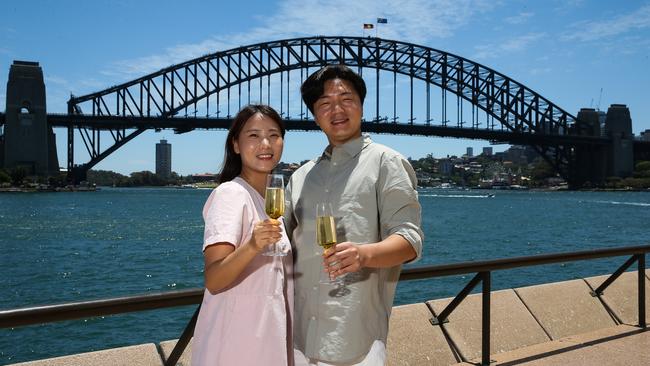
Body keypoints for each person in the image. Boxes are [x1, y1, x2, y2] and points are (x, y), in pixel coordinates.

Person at [285, 65, 424, 365]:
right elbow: (280, 246)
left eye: (346, 99)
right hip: (297, 336)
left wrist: (363, 255)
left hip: (354, 339)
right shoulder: (300, 177)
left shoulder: (386, 163)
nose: (337, 109)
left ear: (361, 105)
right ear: (314, 115)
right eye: (324, 103)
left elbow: (410, 241)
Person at [192, 104, 293, 366]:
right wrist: (251, 246)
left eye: (273, 135)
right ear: (235, 144)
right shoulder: (231, 194)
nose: (265, 143)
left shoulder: (270, 203)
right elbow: (214, 279)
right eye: (253, 135)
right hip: (236, 347)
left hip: (268, 342)